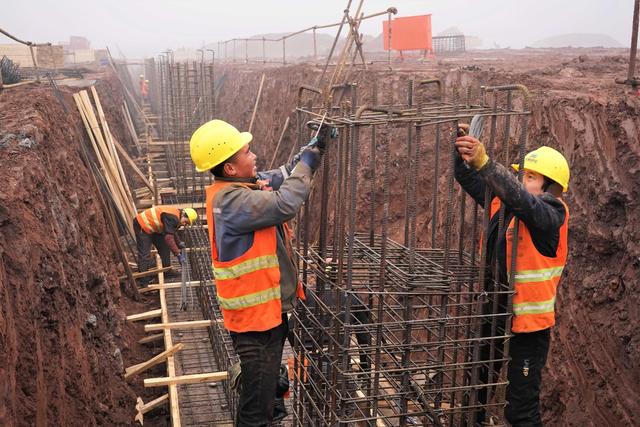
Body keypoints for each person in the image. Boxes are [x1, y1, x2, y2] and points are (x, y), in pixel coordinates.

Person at [189, 119, 332, 426]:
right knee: (256, 411)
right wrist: (307, 164)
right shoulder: (231, 201)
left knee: (266, 394)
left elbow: (280, 176)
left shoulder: (238, 187)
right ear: (230, 168)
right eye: (247, 153)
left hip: (266, 315)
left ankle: (272, 407)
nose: (253, 157)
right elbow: (285, 203)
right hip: (254, 324)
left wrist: (310, 150)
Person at [454, 131, 570, 427]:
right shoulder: (504, 205)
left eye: (531, 177)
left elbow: (528, 206)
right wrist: (463, 150)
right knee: (474, 392)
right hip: (496, 310)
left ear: (551, 186)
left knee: (520, 411)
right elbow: (470, 180)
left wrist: (488, 164)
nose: (523, 182)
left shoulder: (552, 214)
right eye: (522, 176)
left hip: (529, 325)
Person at [133, 206, 198, 280]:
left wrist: (178, 243)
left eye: (187, 223)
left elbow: (172, 231)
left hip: (154, 227)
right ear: (183, 214)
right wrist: (178, 254)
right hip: (142, 224)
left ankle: (167, 271)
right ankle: (143, 279)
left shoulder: (177, 215)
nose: (184, 224)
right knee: (145, 253)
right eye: (186, 222)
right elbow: (169, 238)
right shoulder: (173, 217)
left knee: (164, 247)